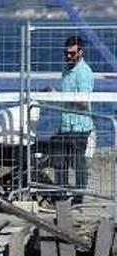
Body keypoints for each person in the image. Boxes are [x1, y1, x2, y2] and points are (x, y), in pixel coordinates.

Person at [54, 35, 95, 205]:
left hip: (79, 126)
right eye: (66, 53)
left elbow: (84, 102)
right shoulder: (66, 70)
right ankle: (61, 194)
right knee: (60, 160)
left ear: (80, 52)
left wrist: (61, 96)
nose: (69, 56)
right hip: (66, 123)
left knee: (78, 163)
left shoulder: (84, 72)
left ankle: (79, 197)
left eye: (72, 53)